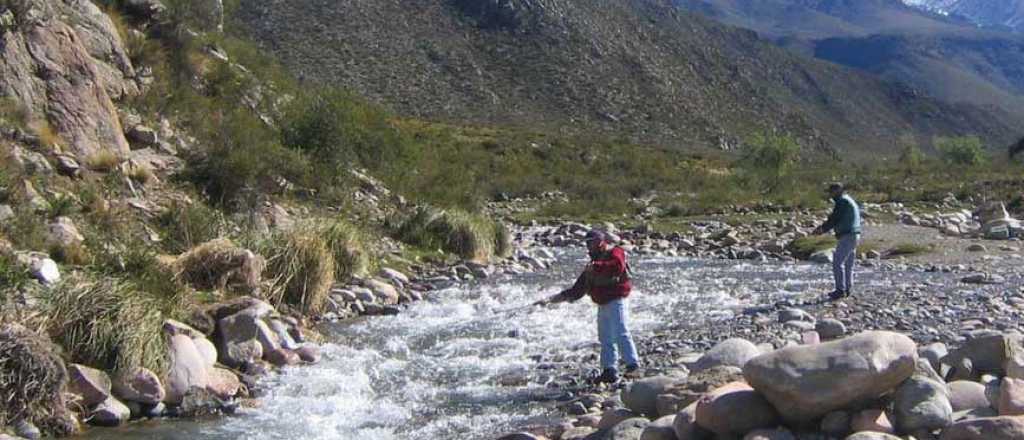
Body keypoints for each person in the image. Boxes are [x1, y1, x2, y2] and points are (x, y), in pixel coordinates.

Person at [535, 230, 640, 384]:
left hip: (617, 300)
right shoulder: (591, 266)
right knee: (605, 338)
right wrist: (550, 300)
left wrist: (596, 267)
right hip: (602, 303)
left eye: (591, 242)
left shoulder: (616, 252)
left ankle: (633, 366)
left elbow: (617, 266)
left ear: (600, 241)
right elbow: (576, 291)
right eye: (587, 242)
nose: (588, 245)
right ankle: (609, 370)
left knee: (621, 332)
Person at [813, 183, 862, 300]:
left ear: (839, 191)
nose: (830, 194)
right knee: (848, 264)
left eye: (832, 192)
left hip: (848, 235)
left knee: (837, 263)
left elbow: (834, 218)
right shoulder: (848, 199)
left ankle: (840, 290)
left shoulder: (842, 201)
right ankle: (847, 289)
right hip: (855, 234)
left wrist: (822, 229)